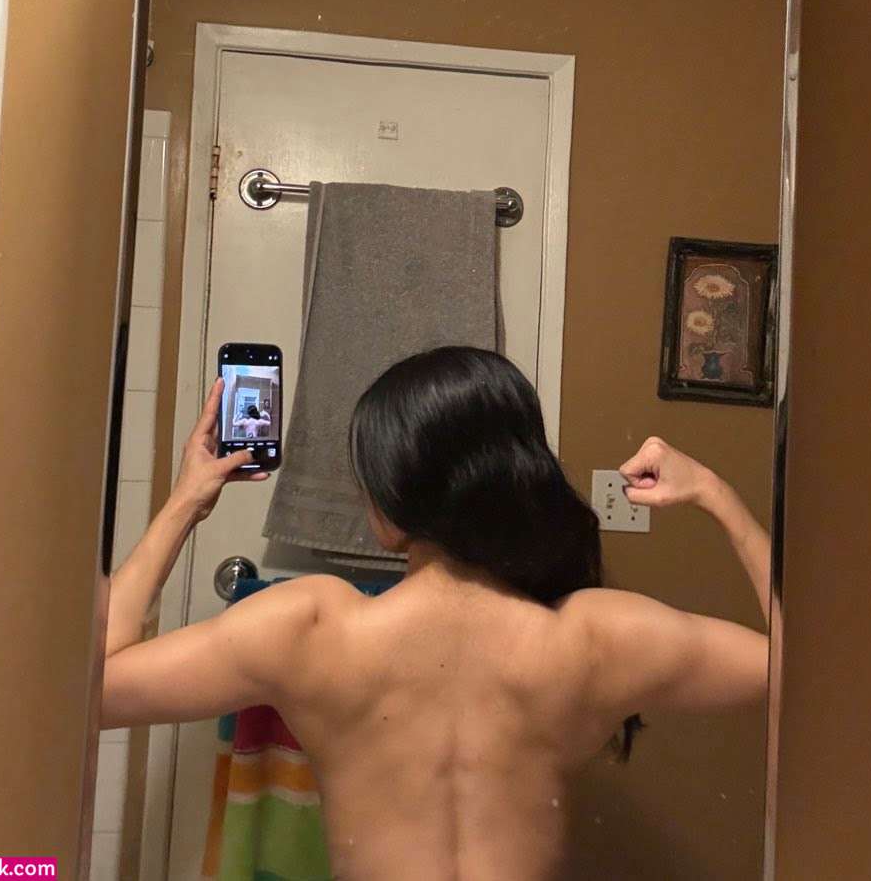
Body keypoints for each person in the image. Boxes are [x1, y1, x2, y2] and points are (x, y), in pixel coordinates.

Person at [102, 347, 769, 881]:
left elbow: (93, 692)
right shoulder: (596, 637)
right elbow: (804, 678)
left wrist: (187, 501)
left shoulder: (308, 628)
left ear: (391, 504)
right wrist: (715, 494)